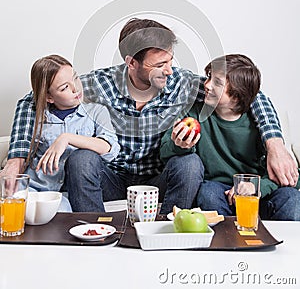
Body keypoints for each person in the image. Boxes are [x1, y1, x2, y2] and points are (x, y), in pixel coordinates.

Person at [1, 20, 298, 213]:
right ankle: (91, 231)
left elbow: (251, 95)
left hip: (160, 180)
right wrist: (15, 158)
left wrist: (275, 144)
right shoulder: (101, 84)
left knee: (190, 164)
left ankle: (168, 233)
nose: (169, 69)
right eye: (160, 64)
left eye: (171, 60)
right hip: (113, 178)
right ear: (132, 63)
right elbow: (35, 98)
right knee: (82, 158)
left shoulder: (180, 82)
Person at [160, 54, 300, 220]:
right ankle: (227, 241)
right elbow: (164, 152)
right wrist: (180, 145)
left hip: (256, 193)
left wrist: (255, 187)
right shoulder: (194, 113)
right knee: (208, 194)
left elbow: (290, 177)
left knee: (292, 199)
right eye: (209, 77)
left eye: (217, 83)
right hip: (218, 191)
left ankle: (282, 243)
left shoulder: (257, 126)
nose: (207, 85)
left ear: (238, 95)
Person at [22, 55, 120, 207]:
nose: (75, 88)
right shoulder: (37, 119)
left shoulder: (96, 111)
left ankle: (90, 227)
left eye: (75, 78)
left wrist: (66, 138)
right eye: (65, 87)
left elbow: (109, 148)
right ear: (49, 97)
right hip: (40, 189)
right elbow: (23, 155)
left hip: (76, 191)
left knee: (83, 158)